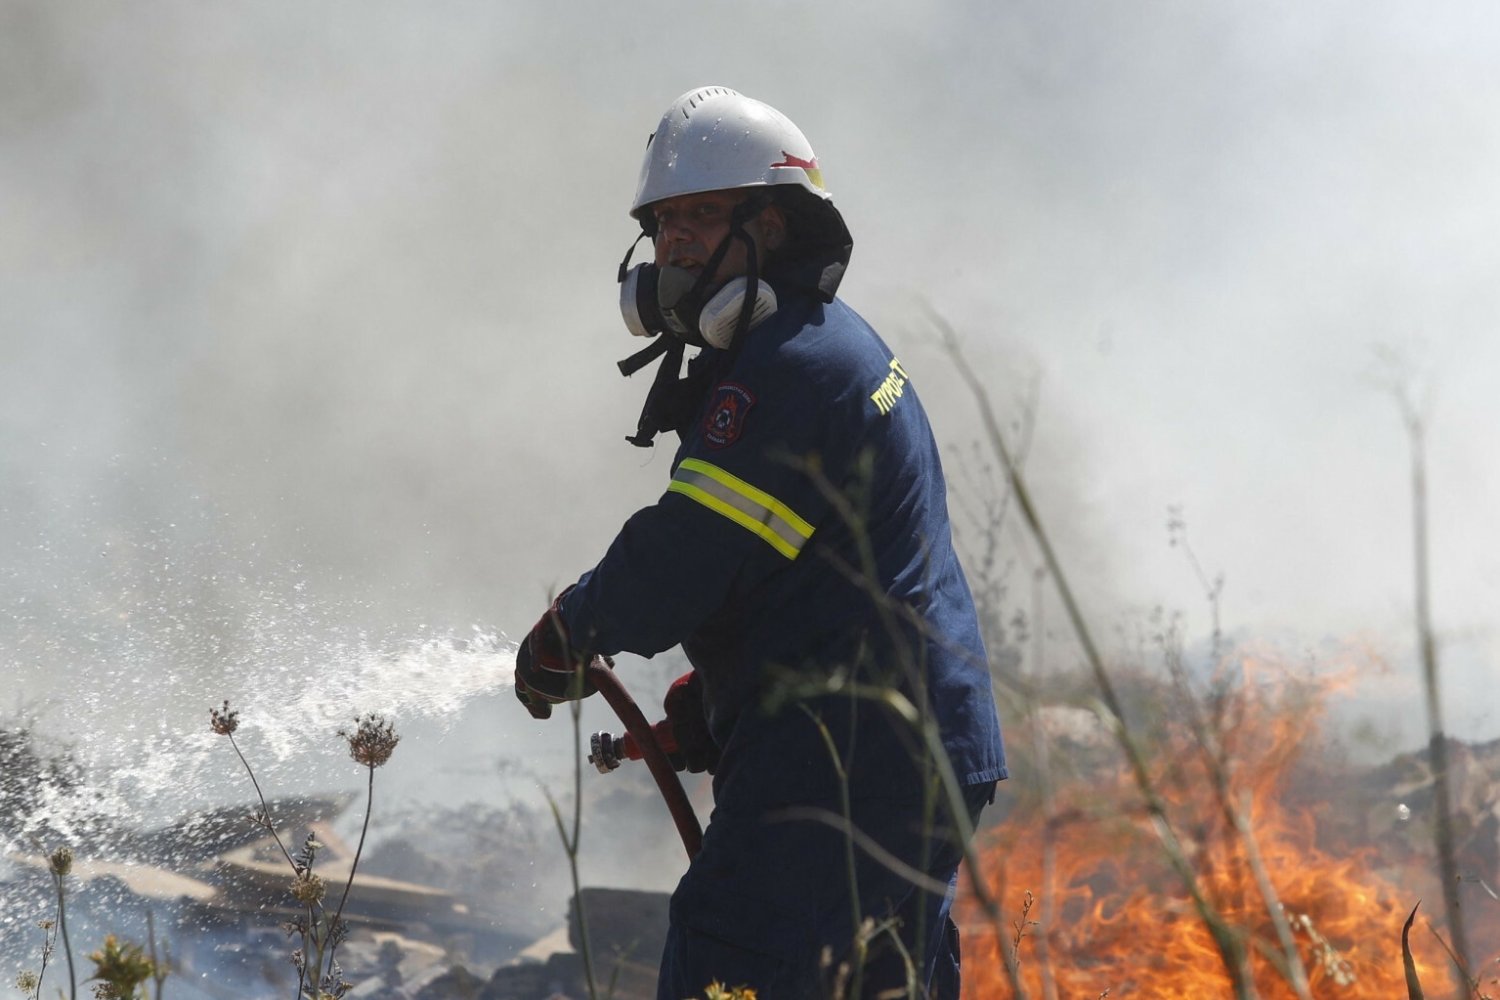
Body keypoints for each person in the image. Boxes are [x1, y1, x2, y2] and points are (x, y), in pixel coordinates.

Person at [514, 86, 1006, 1000]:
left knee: (731, 960)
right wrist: (727, 697)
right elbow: (817, 573)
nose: (677, 245)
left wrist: (570, 630)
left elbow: (686, 553)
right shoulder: (828, 349)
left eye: (703, 215)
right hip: (894, 747)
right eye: (664, 224)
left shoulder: (786, 372)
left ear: (771, 229)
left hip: (845, 766)